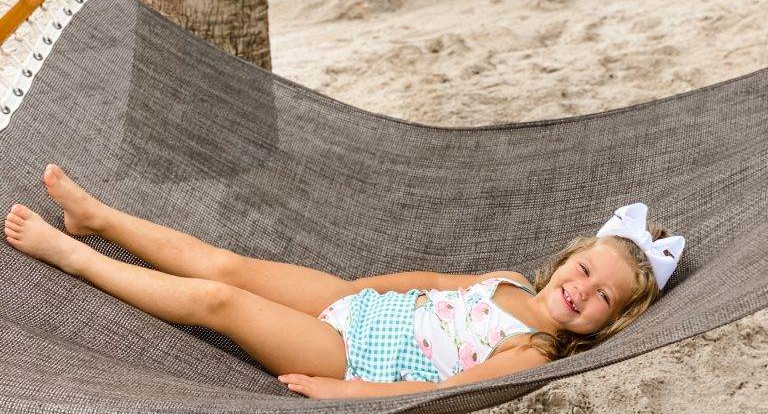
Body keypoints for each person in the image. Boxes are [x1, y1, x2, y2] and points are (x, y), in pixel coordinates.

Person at [3, 167, 684, 399]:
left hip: (357, 358)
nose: (583, 291)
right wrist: (359, 285)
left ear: (611, 323)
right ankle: (98, 218)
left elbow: (438, 394)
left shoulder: (534, 348)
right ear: (570, 254)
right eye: (586, 269)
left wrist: (342, 390)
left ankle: (75, 256)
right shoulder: (506, 279)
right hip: (355, 305)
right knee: (227, 263)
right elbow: (433, 279)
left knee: (223, 302)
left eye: (603, 300)